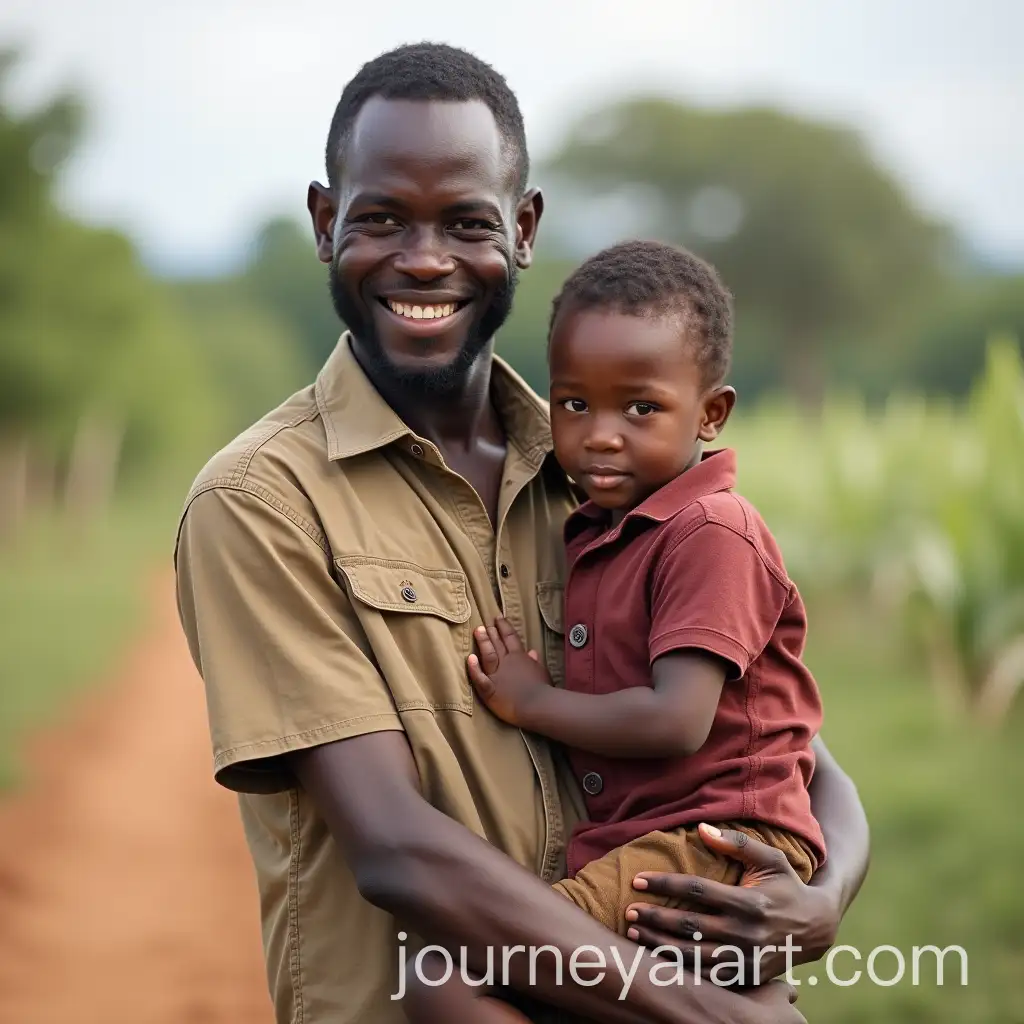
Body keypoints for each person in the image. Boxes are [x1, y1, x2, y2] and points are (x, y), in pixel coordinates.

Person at [173, 42, 869, 1024]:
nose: (423, 260)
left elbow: (785, 745)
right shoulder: (261, 502)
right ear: (326, 224)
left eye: (465, 221)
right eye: (379, 219)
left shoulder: (611, 478)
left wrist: (820, 899)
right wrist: (714, 1015)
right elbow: (395, 847)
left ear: (524, 227)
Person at [402, 240, 827, 1023]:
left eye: (640, 407)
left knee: (446, 973)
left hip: (714, 843)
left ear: (710, 412)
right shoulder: (601, 528)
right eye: (574, 404)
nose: (600, 434)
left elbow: (676, 718)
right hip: (666, 839)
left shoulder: (710, 530)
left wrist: (532, 702)